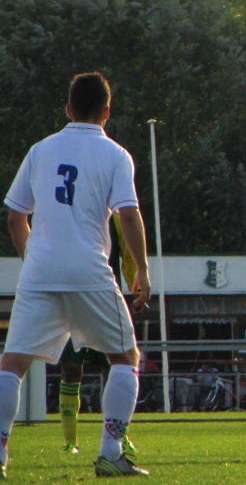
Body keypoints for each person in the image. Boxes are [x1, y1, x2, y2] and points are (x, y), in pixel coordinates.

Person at [0, 71, 152, 479]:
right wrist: (141, 270)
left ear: (68, 109)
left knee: (12, 364)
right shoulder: (116, 154)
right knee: (125, 357)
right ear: (107, 111)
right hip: (88, 269)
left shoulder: (40, 150)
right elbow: (128, 213)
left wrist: (33, 258)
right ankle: (110, 451)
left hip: (39, 272)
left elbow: (16, 216)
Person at [58, 215, 138, 458]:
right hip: (72, 301)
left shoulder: (115, 219)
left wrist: (137, 285)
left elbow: (128, 254)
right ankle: (70, 441)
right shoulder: (70, 214)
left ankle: (119, 436)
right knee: (71, 370)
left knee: (115, 367)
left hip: (105, 301)